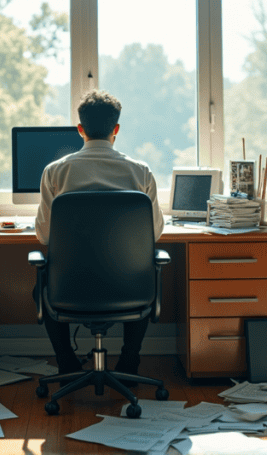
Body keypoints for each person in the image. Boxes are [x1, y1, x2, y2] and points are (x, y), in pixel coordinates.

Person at [35, 90, 165, 377]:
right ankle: (130, 360)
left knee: (42, 282)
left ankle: (66, 361)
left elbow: (44, 237)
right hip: (129, 287)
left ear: (79, 129)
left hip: (69, 288)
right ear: (116, 129)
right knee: (141, 270)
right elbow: (154, 233)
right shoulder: (141, 172)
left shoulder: (55, 172)